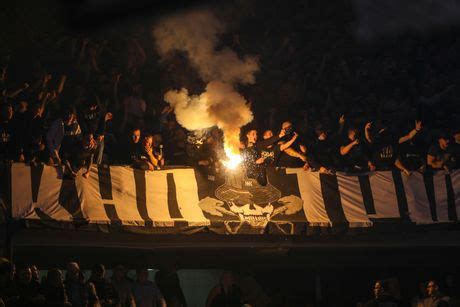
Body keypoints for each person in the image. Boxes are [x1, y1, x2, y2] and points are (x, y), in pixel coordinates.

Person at [46, 108, 82, 174]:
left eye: (70, 114)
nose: (69, 116)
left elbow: (79, 139)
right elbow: (49, 139)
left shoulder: (76, 125)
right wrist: (54, 155)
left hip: (69, 151)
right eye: (67, 114)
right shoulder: (58, 123)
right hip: (57, 151)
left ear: (73, 115)